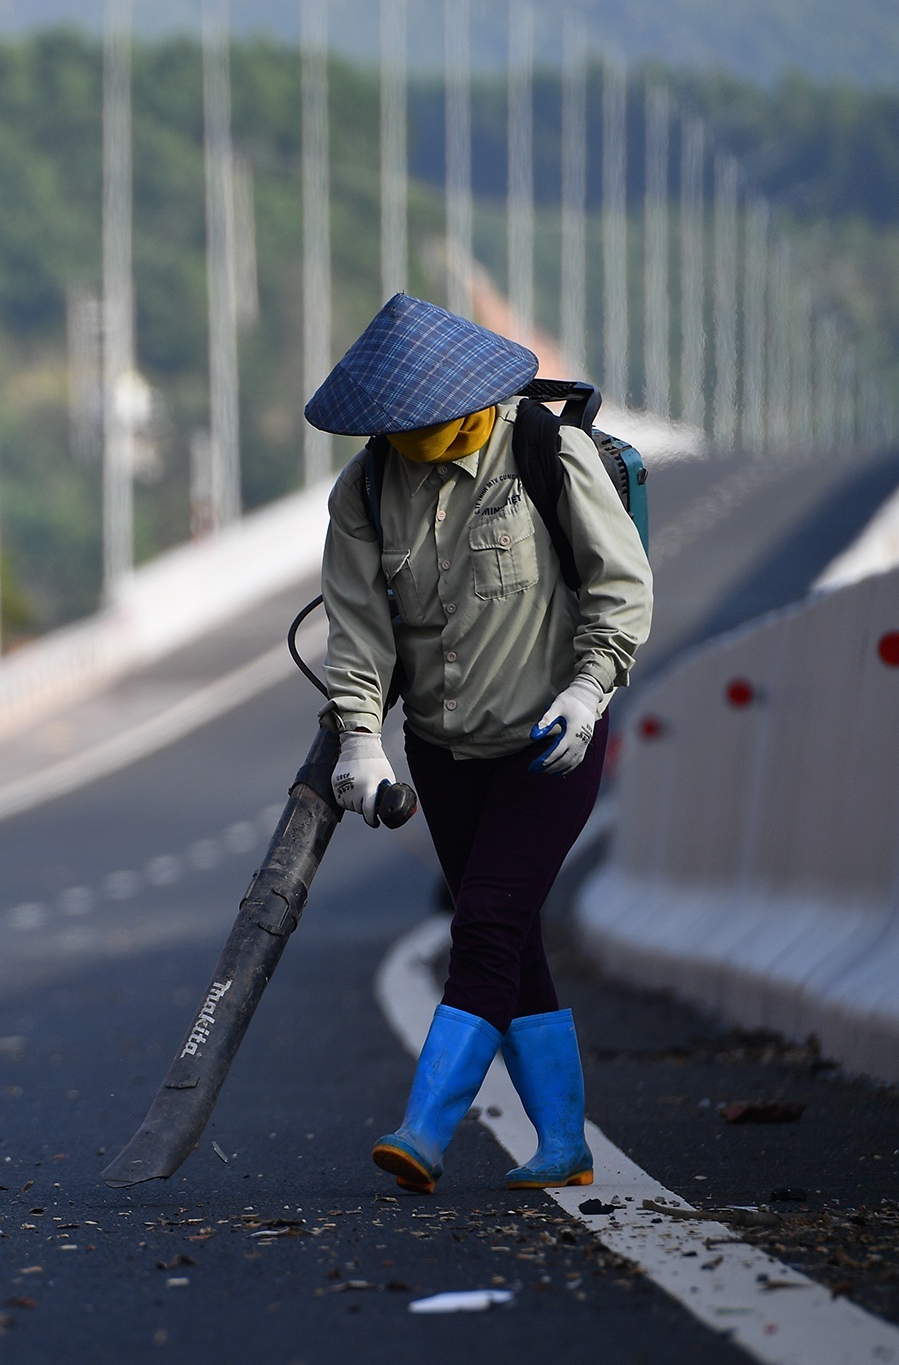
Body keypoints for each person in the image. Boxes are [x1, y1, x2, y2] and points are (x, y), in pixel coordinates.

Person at [306, 294, 652, 1194]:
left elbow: (621, 585)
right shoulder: (366, 490)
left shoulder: (546, 454)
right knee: (512, 936)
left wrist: (589, 690)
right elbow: (358, 630)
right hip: (443, 749)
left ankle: (424, 1129)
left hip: (550, 741)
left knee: (487, 922)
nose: (415, 437)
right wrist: (359, 742)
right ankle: (565, 1144)